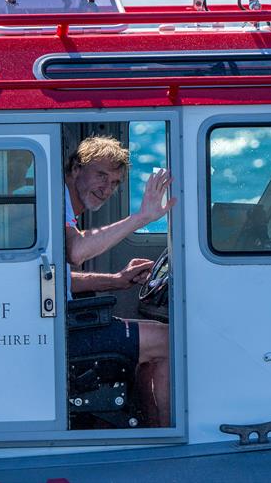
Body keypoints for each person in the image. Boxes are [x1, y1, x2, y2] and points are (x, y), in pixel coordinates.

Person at [64, 136, 176, 428]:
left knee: (157, 341)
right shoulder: (55, 202)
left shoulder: (64, 206)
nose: (106, 189)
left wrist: (116, 280)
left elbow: (62, 280)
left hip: (63, 323)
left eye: (114, 183)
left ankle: (152, 429)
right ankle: (163, 438)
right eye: (101, 175)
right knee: (169, 341)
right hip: (59, 333)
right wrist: (141, 218)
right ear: (76, 168)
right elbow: (77, 252)